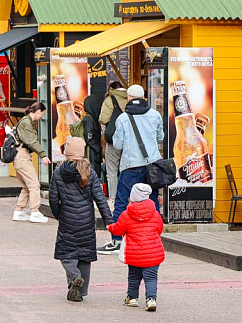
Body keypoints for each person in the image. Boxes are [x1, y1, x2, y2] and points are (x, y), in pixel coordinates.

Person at [99, 84, 163, 255]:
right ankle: (153, 237)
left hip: (130, 166)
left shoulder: (123, 119)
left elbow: (118, 144)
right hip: (152, 167)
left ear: (128, 97)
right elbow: (160, 137)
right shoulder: (155, 115)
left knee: (121, 201)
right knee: (152, 201)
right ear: (143, 97)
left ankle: (117, 241)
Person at [49, 137, 113, 302]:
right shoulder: (89, 172)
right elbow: (100, 198)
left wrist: (59, 215)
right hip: (86, 220)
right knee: (84, 256)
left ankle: (74, 277)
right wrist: (109, 221)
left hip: (67, 219)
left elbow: (53, 199)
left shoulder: (58, 172)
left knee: (67, 254)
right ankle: (81, 291)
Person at [108, 183, 164, 312]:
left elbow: (118, 230)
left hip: (134, 253)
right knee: (151, 277)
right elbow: (159, 229)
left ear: (132, 197)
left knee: (134, 276)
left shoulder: (126, 214)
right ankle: (151, 299)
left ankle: (132, 298)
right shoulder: (155, 213)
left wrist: (109, 227)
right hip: (153, 254)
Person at [13, 101, 51, 223]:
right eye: (42, 114)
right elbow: (31, 141)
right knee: (34, 185)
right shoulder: (26, 123)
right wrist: (43, 155)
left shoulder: (26, 121)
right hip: (22, 156)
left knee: (26, 186)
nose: (41, 117)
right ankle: (35, 212)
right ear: (38, 111)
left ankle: (19, 211)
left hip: (19, 157)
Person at [99, 81, 127, 205]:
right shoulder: (131, 99)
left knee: (112, 170)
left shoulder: (110, 100)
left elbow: (103, 119)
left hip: (114, 139)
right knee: (126, 169)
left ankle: (113, 198)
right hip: (130, 140)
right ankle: (126, 197)